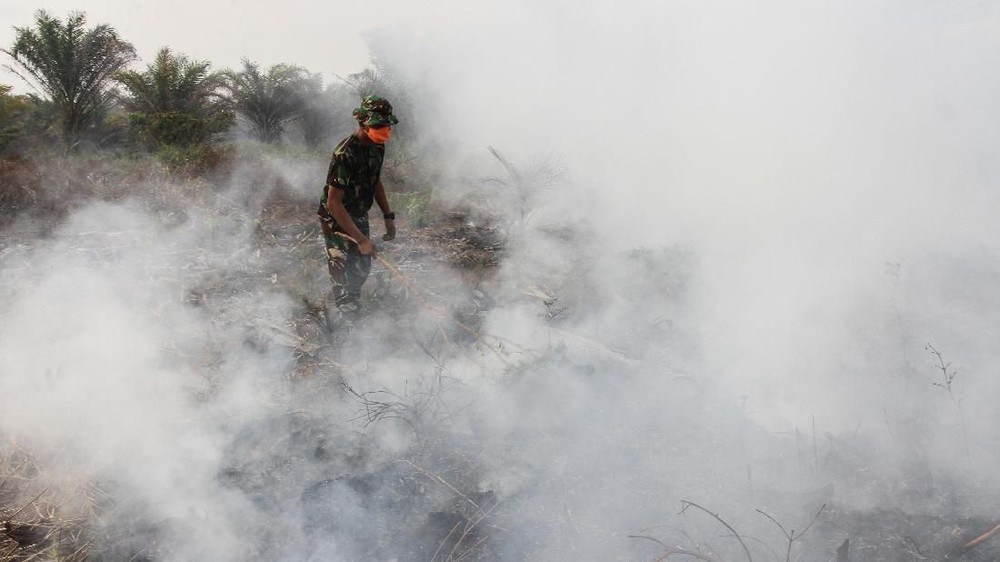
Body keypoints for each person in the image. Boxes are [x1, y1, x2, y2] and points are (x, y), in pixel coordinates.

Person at [317, 95, 398, 321]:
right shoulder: (345, 154)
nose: (384, 131)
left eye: (387, 125)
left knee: (362, 267)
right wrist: (361, 239)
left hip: (358, 214)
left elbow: (375, 181)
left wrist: (388, 215)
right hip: (335, 218)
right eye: (378, 126)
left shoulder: (377, 147)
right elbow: (334, 202)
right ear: (363, 123)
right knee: (342, 272)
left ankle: (352, 304)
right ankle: (347, 329)